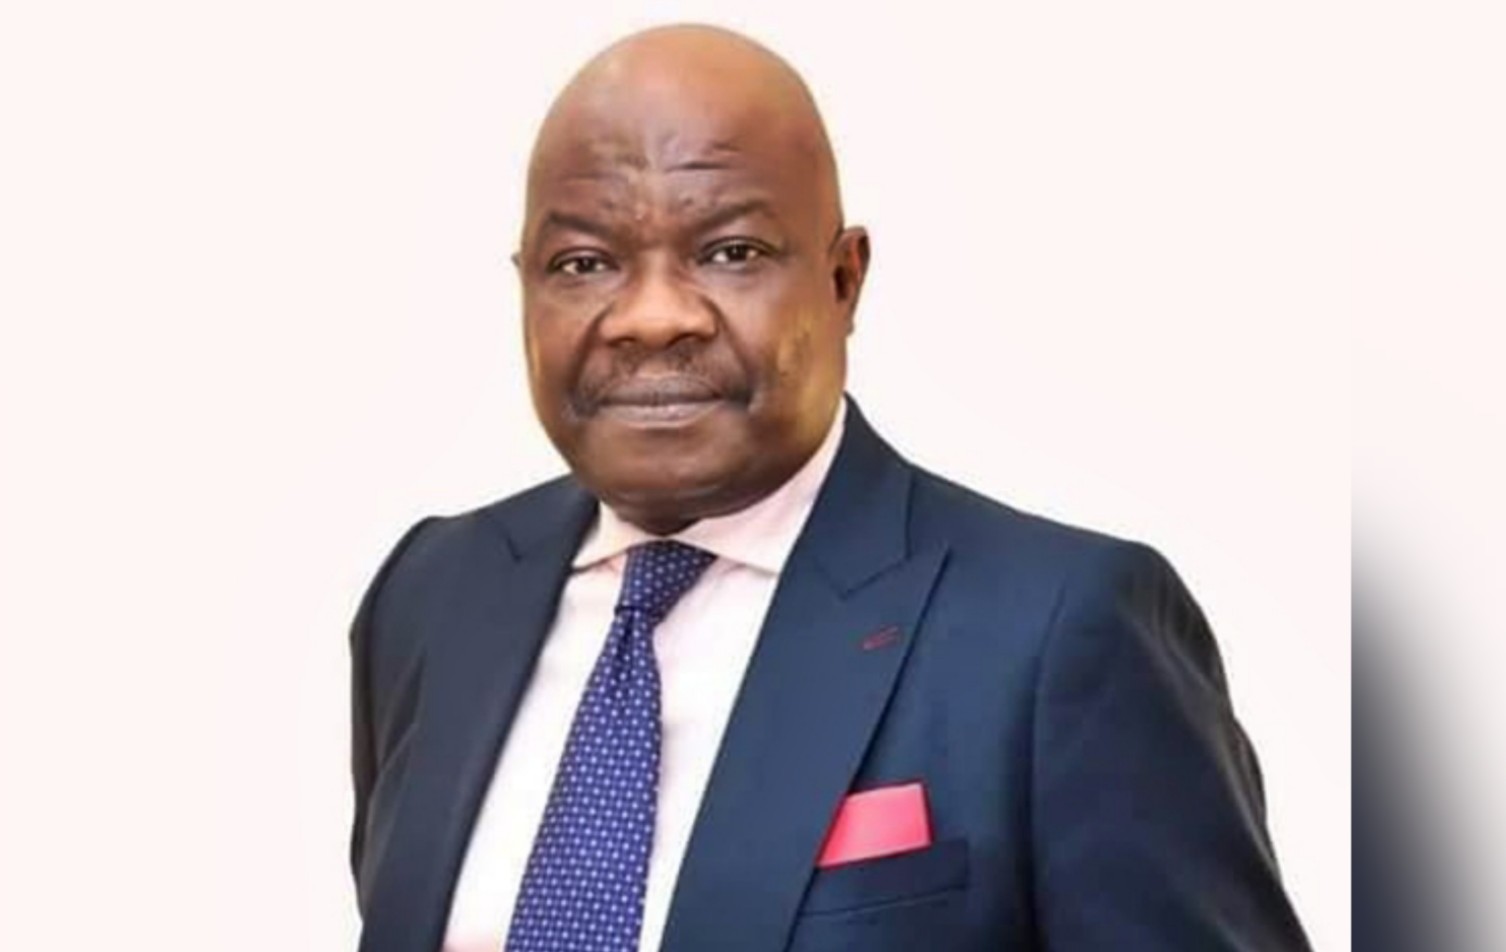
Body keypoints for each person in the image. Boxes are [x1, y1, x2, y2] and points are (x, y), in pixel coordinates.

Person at [349, 23, 1312, 952]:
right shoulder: (433, 595)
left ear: (843, 279)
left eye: (731, 252)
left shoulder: (1057, 630)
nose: (651, 317)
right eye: (584, 263)